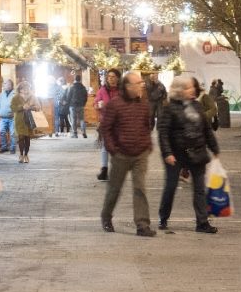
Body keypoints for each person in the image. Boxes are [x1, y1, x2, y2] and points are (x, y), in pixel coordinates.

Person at [157, 76, 221, 234]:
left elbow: (206, 130)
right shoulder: (169, 108)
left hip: (197, 152)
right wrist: (167, 153)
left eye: (192, 87)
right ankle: (163, 217)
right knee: (171, 187)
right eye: (188, 88)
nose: (192, 90)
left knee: (199, 189)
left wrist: (214, 148)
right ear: (179, 91)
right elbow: (163, 133)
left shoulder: (198, 106)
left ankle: (202, 222)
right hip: (176, 154)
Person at [100, 71, 155, 237]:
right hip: (121, 155)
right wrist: (113, 149)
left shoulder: (144, 104)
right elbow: (105, 128)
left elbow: (147, 126)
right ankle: (106, 216)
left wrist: (148, 143)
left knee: (140, 189)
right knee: (114, 189)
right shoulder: (115, 104)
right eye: (138, 83)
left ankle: (142, 224)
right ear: (128, 86)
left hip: (140, 154)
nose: (141, 86)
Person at [94, 68, 122, 181]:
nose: (110, 78)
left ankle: (117, 170)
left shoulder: (122, 91)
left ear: (118, 78)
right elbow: (95, 103)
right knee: (106, 146)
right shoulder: (102, 90)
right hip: (106, 122)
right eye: (109, 76)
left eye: (113, 76)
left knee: (118, 147)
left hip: (119, 123)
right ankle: (104, 170)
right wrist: (98, 105)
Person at [11, 81, 40, 163]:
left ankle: (26, 155)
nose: (26, 90)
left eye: (27, 88)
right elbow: (12, 108)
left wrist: (31, 107)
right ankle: (21, 155)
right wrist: (22, 107)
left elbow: (38, 107)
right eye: (23, 88)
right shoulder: (15, 98)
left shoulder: (33, 97)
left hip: (29, 120)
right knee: (20, 137)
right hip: (19, 120)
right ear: (20, 89)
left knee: (27, 138)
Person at [0, 78, 16, 153]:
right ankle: (4, 147)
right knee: (1, 131)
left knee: (13, 133)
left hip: (12, 118)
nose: (4, 85)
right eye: (4, 84)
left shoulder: (15, 94)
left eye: (6, 83)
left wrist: (15, 112)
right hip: (3, 117)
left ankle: (12, 148)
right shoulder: (1, 94)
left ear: (10, 85)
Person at [67, 72, 88, 138]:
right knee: (82, 119)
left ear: (75, 79)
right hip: (81, 105)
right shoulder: (83, 87)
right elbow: (86, 96)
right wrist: (84, 103)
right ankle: (84, 132)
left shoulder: (71, 87)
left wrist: (68, 103)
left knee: (74, 119)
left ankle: (75, 134)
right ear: (80, 80)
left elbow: (68, 96)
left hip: (73, 105)